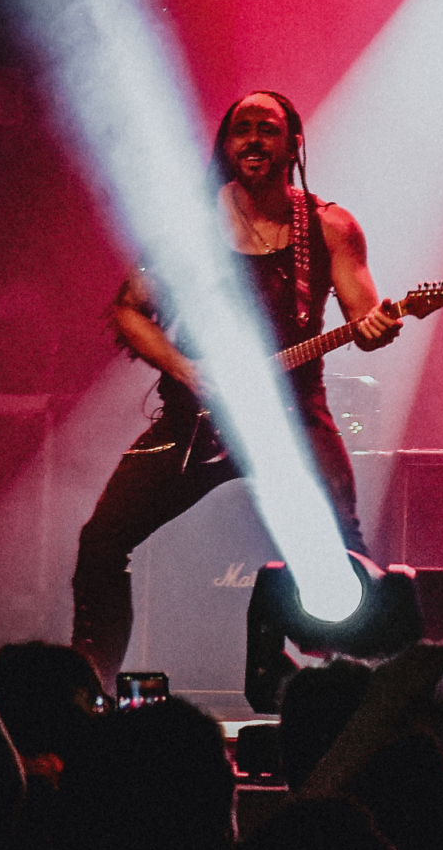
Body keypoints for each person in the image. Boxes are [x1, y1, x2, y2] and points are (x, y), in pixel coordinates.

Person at [72, 90, 400, 684]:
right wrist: (190, 371)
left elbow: (364, 318)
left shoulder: (329, 226)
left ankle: (363, 692)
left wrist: (378, 328)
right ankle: (89, 689)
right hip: (197, 419)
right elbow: (128, 310)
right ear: (226, 145)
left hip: (294, 415)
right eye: (240, 129)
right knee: (101, 542)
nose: (252, 139)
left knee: (349, 553)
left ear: (293, 144)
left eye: (266, 129)